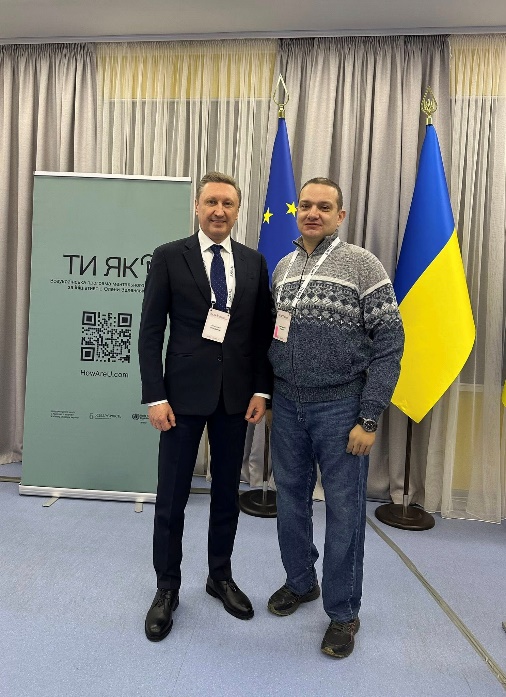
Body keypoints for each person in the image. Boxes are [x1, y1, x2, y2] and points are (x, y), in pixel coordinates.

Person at [267, 177, 404, 658]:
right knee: (290, 500)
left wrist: (369, 418)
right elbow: (272, 334)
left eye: (324, 207)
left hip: (341, 408)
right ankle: (300, 581)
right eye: (305, 205)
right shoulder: (283, 267)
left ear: (340, 215)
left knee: (344, 512)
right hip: (287, 405)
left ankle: (344, 613)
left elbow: (390, 344)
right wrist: (270, 395)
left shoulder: (363, 265)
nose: (313, 213)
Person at [138, 171, 272, 642]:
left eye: (228, 204)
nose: (219, 210)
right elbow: (150, 332)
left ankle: (220, 575)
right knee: (172, 495)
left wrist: (261, 390)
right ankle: (167, 587)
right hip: (180, 398)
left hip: (236, 398)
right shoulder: (169, 256)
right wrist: (155, 396)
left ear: (238, 211)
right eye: (211, 201)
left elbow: (261, 333)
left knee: (226, 494)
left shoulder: (254, 262)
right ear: (197, 206)